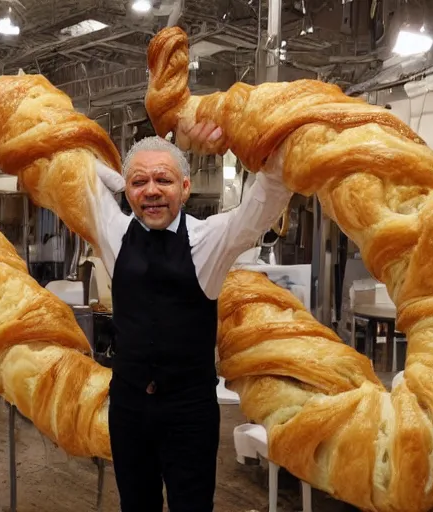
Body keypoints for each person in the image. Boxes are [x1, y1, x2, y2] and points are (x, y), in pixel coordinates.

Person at [91, 121, 292, 511]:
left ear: (185, 187)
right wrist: (116, 179)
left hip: (188, 411)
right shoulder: (112, 233)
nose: (150, 191)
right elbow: (80, 171)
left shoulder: (209, 239)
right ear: (129, 192)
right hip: (128, 407)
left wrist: (256, 137)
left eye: (163, 180)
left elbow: (264, 200)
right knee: (136, 505)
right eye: (139, 183)